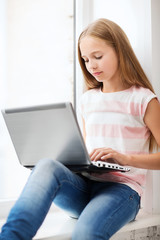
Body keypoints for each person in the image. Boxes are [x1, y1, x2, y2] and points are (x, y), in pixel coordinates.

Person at [1, 18, 160, 240]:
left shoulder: (143, 99)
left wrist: (124, 158)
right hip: (84, 186)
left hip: (123, 191)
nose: (91, 65)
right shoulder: (88, 100)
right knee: (47, 165)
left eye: (98, 56)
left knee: (85, 234)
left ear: (120, 51)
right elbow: (86, 148)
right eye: (85, 60)